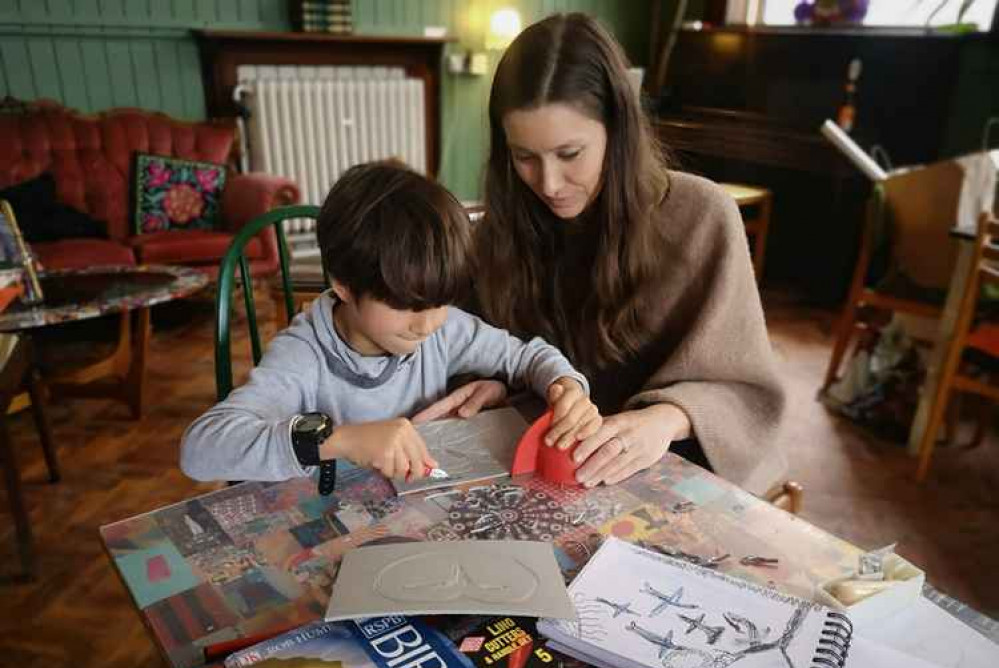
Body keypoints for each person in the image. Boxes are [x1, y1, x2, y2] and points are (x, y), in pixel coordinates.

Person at [415, 13, 787, 495]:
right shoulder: (498, 230)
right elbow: (476, 347)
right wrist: (497, 384)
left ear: (618, 131)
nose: (547, 185)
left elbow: (742, 391)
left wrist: (664, 419)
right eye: (524, 157)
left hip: (669, 468)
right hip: (545, 470)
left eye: (570, 154)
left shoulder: (702, 216)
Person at [180, 161, 600, 485]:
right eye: (406, 304)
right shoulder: (303, 354)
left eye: (441, 301)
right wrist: (339, 440)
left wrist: (565, 387)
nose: (429, 324)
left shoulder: (443, 327)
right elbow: (201, 449)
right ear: (343, 284)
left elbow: (529, 355)